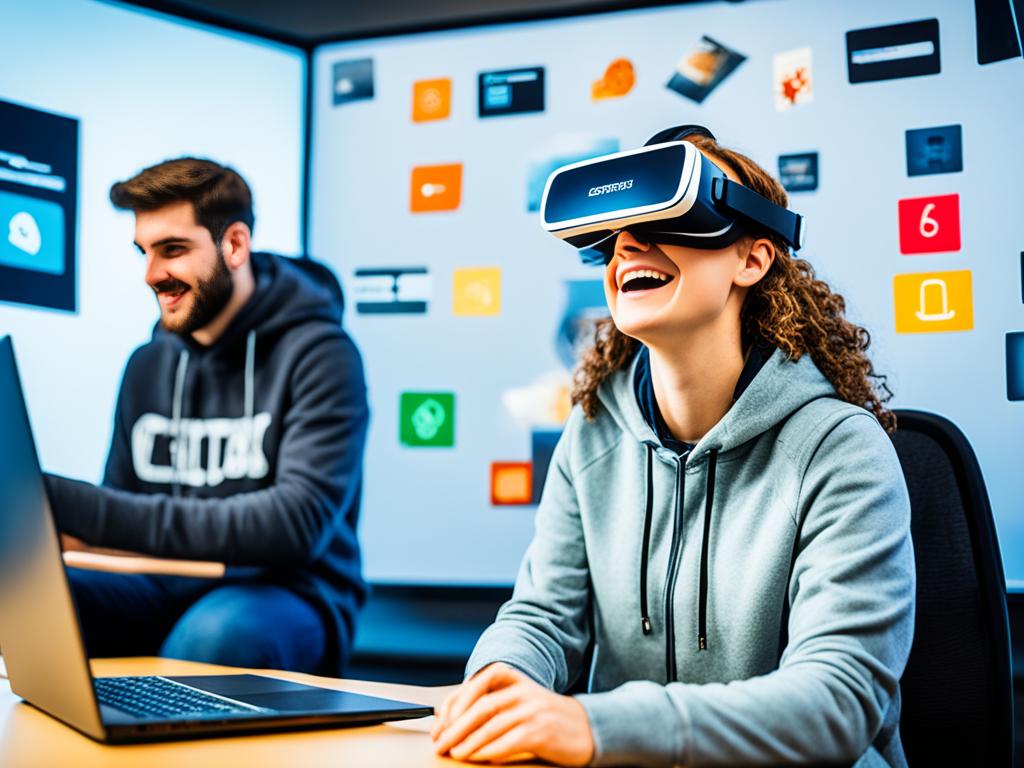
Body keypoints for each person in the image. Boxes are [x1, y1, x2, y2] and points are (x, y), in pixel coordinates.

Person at [432, 129, 915, 766]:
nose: (627, 245)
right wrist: (499, 681)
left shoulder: (840, 451)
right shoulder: (594, 433)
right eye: (615, 234)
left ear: (753, 258)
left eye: (670, 217)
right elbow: (544, 617)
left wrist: (594, 726)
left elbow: (837, 702)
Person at [44, 158, 369, 675]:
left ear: (234, 245)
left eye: (172, 250)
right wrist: (37, 520)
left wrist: (71, 504)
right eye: (144, 253)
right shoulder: (147, 365)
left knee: (217, 638)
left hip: (286, 591)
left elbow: (294, 524)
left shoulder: (321, 354)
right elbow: (120, 519)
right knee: (27, 598)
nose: (151, 275)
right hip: (157, 584)